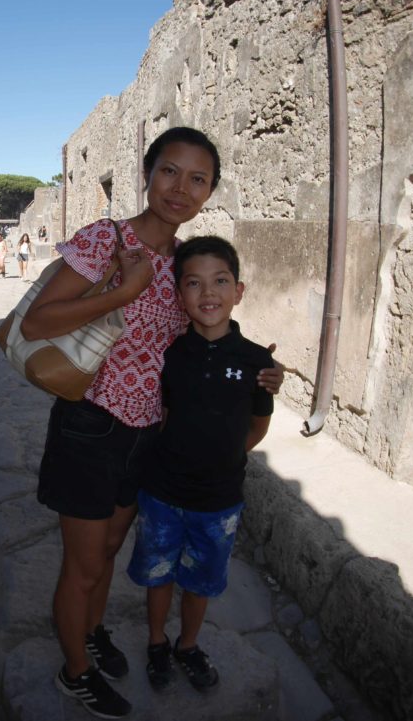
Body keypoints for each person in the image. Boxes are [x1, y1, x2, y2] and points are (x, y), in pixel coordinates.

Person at [20, 127, 283, 719]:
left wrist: (261, 369)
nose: (180, 188)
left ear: (209, 191)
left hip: (147, 434)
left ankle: (88, 635)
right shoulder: (107, 241)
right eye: (170, 171)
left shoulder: (189, 262)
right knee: (82, 564)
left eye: (198, 179)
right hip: (90, 424)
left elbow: (204, 332)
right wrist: (122, 291)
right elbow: (38, 323)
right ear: (147, 172)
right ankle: (75, 673)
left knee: (110, 549)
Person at [127, 235, 274, 694]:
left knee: (200, 581)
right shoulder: (171, 354)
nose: (208, 293)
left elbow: (256, 427)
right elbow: (165, 414)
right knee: (158, 573)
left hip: (219, 500)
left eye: (220, 281)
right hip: (163, 493)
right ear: (180, 294)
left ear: (239, 290)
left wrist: (222, 458)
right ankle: (156, 642)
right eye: (194, 283)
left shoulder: (257, 362)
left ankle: (187, 645)